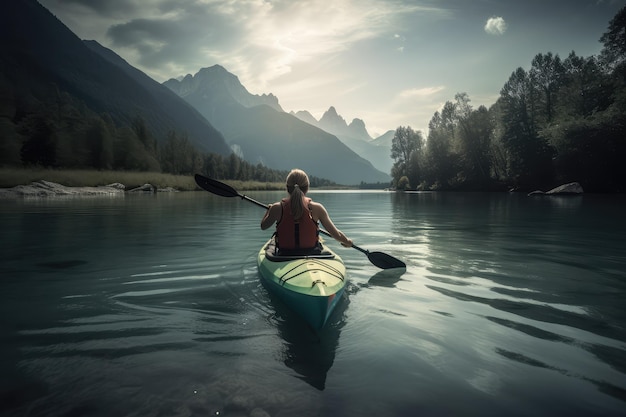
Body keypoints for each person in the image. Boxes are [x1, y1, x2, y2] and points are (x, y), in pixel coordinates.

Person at [261, 169, 352, 254]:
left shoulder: (276, 208)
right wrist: (347, 241)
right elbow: (336, 234)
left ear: (287, 188)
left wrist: (269, 211)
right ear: (307, 188)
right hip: (311, 252)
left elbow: (263, 226)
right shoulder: (317, 208)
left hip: (284, 253)